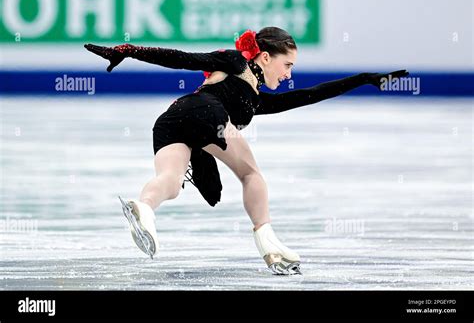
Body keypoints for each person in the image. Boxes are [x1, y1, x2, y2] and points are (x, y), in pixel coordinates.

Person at [85, 27, 408, 275]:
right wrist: (128, 50)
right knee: (250, 174)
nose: (288, 74)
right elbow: (181, 58)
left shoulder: (258, 101)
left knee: (170, 179)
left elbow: (311, 94)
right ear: (265, 57)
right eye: (287, 64)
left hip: (172, 117)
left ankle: (143, 208)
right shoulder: (234, 61)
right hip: (206, 112)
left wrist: (363, 79)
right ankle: (269, 245)